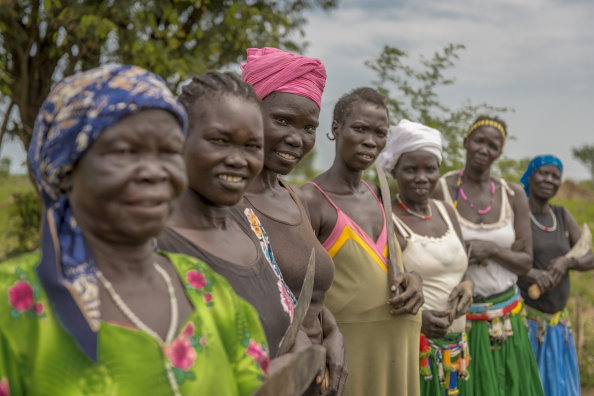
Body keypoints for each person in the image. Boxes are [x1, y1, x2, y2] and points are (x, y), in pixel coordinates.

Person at [0, 65, 269, 396]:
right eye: (125, 151)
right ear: (67, 168)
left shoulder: (210, 293)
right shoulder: (11, 306)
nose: (154, 172)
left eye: (169, 152)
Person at [157, 71, 300, 362]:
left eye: (252, 146)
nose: (238, 160)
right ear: (178, 139)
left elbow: (285, 315)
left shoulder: (246, 221)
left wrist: (305, 346)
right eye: (220, 140)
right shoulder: (154, 243)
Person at [300, 87, 425, 396]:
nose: (371, 140)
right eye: (360, 128)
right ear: (336, 128)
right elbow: (297, 291)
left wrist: (415, 279)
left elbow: (392, 265)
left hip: (399, 350)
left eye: (379, 133)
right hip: (349, 355)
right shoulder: (311, 200)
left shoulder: (378, 194)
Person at [240, 47, 346, 395]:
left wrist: (332, 332)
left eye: (308, 127)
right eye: (282, 120)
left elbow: (305, 292)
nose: (296, 138)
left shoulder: (296, 197)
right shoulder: (227, 203)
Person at [433, 116, 544, 396]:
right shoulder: (441, 188)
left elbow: (526, 261)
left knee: (508, 385)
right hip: (458, 318)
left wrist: (491, 249)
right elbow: (435, 250)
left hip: (504, 319)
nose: (485, 149)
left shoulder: (513, 194)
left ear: (499, 153)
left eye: (493, 145)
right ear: (466, 142)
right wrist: (502, 251)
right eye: (479, 141)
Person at [377, 119, 474, 396]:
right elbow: (380, 289)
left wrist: (468, 286)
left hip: (457, 351)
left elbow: (462, 269)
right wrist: (418, 319)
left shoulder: (446, 211)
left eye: (430, 169)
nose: (422, 177)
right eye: (410, 169)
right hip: (417, 354)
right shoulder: (386, 219)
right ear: (394, 170)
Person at [517, 155, 594, 396]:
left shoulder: (561, 215)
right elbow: (505, 261)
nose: (549, 179)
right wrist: (532, 274)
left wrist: (567, 261)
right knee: (530, 387)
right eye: (543, 173)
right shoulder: (517, 215)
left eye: (555, 175)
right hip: (527, 325)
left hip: (558, 326)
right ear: (530, 176)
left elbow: (589, 256)